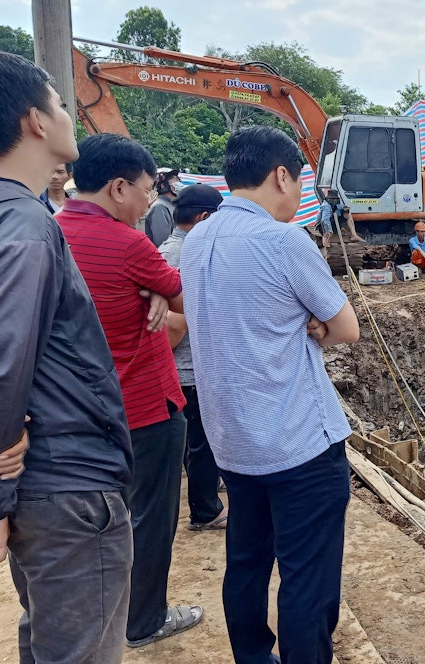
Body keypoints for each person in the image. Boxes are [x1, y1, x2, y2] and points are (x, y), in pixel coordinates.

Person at [180, 125, 360, 664]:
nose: (302, 194)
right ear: (281, 175)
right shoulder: (284, 241)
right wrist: (314, 324)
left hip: (232, 441)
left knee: (248, 562)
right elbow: (346, 327)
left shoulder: (197, 239)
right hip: (299, 443)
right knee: (307, 577)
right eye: (300, 181)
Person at [0, 49, 133, 664]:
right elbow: (3, 359)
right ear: (35, 121)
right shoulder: (24, 227)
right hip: (66, 485)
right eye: (59, 103)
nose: (71, 115)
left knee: (47, 638)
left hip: (41, 485)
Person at [56, 133, 202, 648]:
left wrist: (159, 300)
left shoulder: (52, 232)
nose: (149, 201)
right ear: (118, 188)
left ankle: (106, 616)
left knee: (104, 522)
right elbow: (192, 301)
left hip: (80, 413)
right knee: (151, 518)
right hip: (145, 406)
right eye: (145, 190)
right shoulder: (128, 243)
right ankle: (144, 620)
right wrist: (162, 300)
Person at [158, 184, 228, 533]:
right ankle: (205, 510)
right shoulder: (196, 255)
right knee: (204, 440)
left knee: (190, 439)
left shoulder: (162, 251)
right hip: (193, 364)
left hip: (170, 366)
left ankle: (208, 488)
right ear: (203, 218)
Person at [145, 167, 182, 247]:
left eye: (178, 180)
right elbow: (163, 243)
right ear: (163, 185)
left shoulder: (172, 205)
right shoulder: (159, 207)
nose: (179, 183)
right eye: (175, 180)